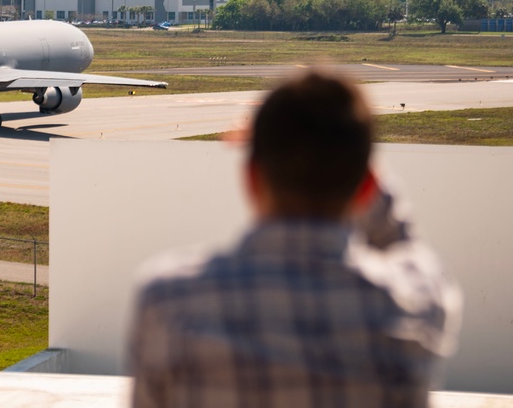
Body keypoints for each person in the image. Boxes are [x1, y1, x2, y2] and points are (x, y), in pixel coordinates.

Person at [129, 71, 461, 407]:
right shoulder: (415, 300)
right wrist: (354, 160)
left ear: (251, 178)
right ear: (367, 184)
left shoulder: (169, 299)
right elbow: (405, 244)